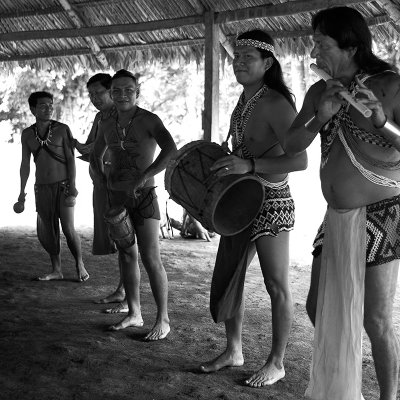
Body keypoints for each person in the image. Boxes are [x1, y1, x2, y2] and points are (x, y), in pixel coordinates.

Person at [284, 7, 400, 400]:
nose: (313, 49)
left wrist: (383, 121)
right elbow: (291, 145)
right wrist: (320, 117)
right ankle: (345, 384)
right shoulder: (321, 91)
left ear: (350, 46)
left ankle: (389, 396)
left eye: (322, 42)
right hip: (335, 216)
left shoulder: (389, 85)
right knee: (318, 306)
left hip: (382, 215)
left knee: (376, 318)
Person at [199, 30, 307, 387]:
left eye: (249, 57)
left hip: (272, 202)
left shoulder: (276, 103)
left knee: (276, 285)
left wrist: (249, 166)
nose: (240, 63)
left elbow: (301, 159)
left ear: (268, 64)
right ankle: (234, 350)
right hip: (239, 200)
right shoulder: (243, 101)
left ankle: (277, 362)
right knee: (232, 277)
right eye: (237, 57)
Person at [93, 69, 176, 340]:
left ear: (137, 92)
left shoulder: (149, 120)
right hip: (117, 197)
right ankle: (134, 312)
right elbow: (98, 154)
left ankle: (162, 319)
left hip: (145, 197)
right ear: (111, 93)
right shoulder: (106, 122)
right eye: (116, 90)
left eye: (128, 89)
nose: (122, 94)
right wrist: (103, 179)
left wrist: (144, 176)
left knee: (151, 257)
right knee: (127, 254)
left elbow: (171, 149)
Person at [15, 91, 89, 282]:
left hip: (64, 186)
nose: (48, 108)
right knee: (48, 229)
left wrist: (73, 185)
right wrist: (21, 193)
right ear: (32, 109)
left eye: (50, 104)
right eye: (43, 105)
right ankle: (57, 269)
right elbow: (25, 164)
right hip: (41, 188)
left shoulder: (63, 129)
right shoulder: (27, 134)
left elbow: (71, 160)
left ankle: (79, 263)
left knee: (68, 227)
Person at [74, 73, 126, 311]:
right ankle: (122, 290)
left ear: (111, 91)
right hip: (101, 185)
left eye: (99, 93)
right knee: (117, 237)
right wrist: (71, 143)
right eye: (91, 94)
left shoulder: (124, 115)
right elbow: (91, 147)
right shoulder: (99, 117)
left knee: (127, 239)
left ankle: (127, 296)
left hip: (121, 185)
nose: (94, 98)